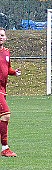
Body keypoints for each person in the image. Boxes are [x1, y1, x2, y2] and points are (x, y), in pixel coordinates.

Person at [0, 28, 21, 158]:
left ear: (6, 38)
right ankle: (5, 148)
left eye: (2, 35)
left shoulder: (7, 52)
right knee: (6, 115)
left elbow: (6, 68)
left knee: (3, 117)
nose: (0, 37)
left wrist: (14, 72)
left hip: (3, 89)